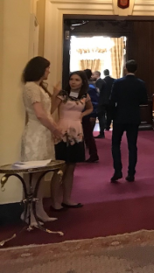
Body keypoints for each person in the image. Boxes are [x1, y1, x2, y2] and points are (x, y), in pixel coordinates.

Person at [20, 57, 64, 223]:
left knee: (41, 174)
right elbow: (39, 114)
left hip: (43, 133)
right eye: (47, 68)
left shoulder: (39, 88)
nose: (49, 71)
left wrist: (55, 96)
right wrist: (55, 129)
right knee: (33, 174)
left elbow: (48, 111)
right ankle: (29, 212)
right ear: (39, 69)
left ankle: (39, 210)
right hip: (36, 134)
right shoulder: (30, 87)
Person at [51, 71, 92, 210]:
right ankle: (55, 202)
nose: (73, 82)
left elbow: (90, 108)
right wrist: (54, 95)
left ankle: (67, 199)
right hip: (62, 129)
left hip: (77, 131)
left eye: (77, 80)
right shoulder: (62, 94)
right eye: (71, 79)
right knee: (60, 167)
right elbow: (50, 109)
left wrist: (82, 114)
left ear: (82, 82)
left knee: (71, 167)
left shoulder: (85, 96)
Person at [110, 60, 148, 182]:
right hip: (133, 117)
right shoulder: (141, 83)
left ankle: (117, 170)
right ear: (136, 70)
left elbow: (112, 100)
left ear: (126, 68)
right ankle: (131, 173)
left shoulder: (117, 83)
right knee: (132, 146)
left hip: (119, 116)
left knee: (116, 144)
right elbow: (144, 101)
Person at [82, 69, 100, 163]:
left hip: (88, 115)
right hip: (81, 115)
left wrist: (93, 115)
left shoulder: (90, 87)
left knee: (88, 135)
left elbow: (94, 103)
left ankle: (93, 154)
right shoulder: (82, 87)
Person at [96, 69, 115, 138]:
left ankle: (104, 127)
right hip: (111, 100)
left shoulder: (102, 81)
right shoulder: (114, 80)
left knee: (102, 115)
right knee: (110, 114)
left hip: (103, 100)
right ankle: (108, 126)